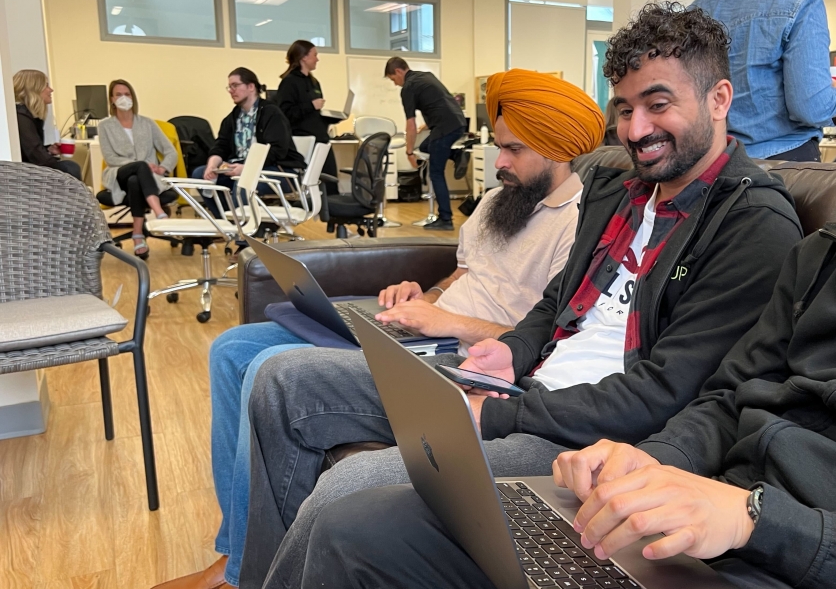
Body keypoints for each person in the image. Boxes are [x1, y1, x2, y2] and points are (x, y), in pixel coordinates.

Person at [294, 0, 836, 588]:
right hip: (702, 528)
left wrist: (748, 518)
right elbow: (727, 396)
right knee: (358, 528)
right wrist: (648, 465)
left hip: (791, 554)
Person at [244, 4, 805, 589]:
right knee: (283, 380)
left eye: (659, 105)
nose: (636, 130)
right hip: (521, 386)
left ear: (719, 99)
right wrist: (512, 350)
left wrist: (500, 411)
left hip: (585, 437)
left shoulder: (753, 224)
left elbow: (666, 392)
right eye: (625, 109)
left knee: (345, 491)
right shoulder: (621, 190)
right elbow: (558, 301)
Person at [151, 70, 606, 589]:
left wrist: (446, 321)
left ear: (556, 148)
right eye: (499, 147)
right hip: (417, 327)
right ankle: (237, 551)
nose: (498, 161)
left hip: (457, 353)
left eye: (513, 150)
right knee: (231, 349)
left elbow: (542, 338)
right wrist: (423, 293)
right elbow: (465, 270)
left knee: (262, 369)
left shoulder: (579, 226)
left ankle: (238, 572)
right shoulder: (500, 200)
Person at [693, 0, 836, 161]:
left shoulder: (693, 12)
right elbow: (813, 108)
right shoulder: (801, 2)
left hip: (715, 162)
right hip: (785, 161)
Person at [192, 68, 305, 219]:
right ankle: (230, 222)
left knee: (243, 183)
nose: (231, 91)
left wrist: (247, 168)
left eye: (235, 85)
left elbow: (277, 151)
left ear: (251, 87)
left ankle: (244, 236)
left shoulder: (271, 113)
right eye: (230, 87)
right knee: (200, 174)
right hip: (242, 168)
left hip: (279, 171)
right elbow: (220, 146)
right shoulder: (233, 117)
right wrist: (212, 165)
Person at [96, 79, 179, 260]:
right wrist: (140, 164)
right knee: (139, 167)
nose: (123, 98)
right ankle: (159, 212)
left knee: (136, 180)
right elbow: (111, 158)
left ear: (133, 97)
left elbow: (170, 151)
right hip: (118, 175)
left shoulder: (147, 124)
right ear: (111, 99)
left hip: (145, 179)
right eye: (118, 94)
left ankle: (137, 234)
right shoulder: (104, 126)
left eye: (127, 94)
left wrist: (163, 168)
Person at [385, 57, 468, 230]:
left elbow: (410, 124)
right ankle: (457, 154)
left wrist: (409, 152)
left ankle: (446, 219)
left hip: (445, 127)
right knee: (424, 147)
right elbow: (439, 103)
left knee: (436, 173)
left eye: (393, 79)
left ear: (399, 72)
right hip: (458, 123)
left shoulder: (408, 87)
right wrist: (428, 125)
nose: (395, 84)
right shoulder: (426, 76)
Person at [275, 40, 338, 195]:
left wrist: (331, 118)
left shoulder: (313, 82)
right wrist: (311, 106)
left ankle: (332, 212)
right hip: (305, 140)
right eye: (314, 55)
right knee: (315, 183)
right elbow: (285, 114)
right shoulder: (289, 83)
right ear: (303, 57)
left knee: (330, 179)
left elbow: (313, 114)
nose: (317, 59)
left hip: (320, 138)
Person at [12, 69, 82, 180]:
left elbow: (31, 150)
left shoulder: (26, 116)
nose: (51, 90)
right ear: (34, 89)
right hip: (25, 176)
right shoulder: (21, 118)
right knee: (70, 167)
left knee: (69, 167)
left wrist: (48, 150)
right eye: (46, 85)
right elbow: (36, 156)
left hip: (28, 172)